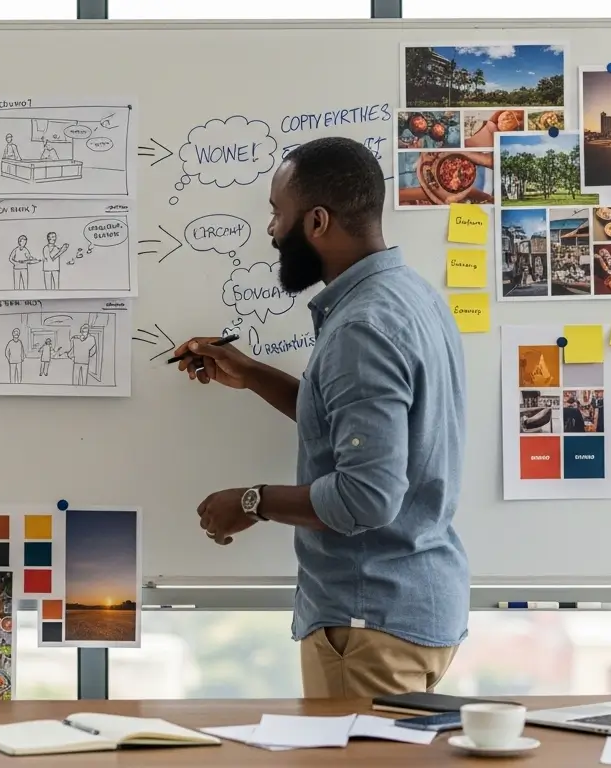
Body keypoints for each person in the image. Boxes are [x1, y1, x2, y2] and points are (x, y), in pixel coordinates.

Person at [171, 137, 469, 700]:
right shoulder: (411, 296)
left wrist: (252, 502)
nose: (270, 230)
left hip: (368, 623)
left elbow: (366, 496)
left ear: (317, 222)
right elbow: (354, 425)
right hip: (412, 608)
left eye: (276, 213)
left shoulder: (362, 329)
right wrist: (253, 373)